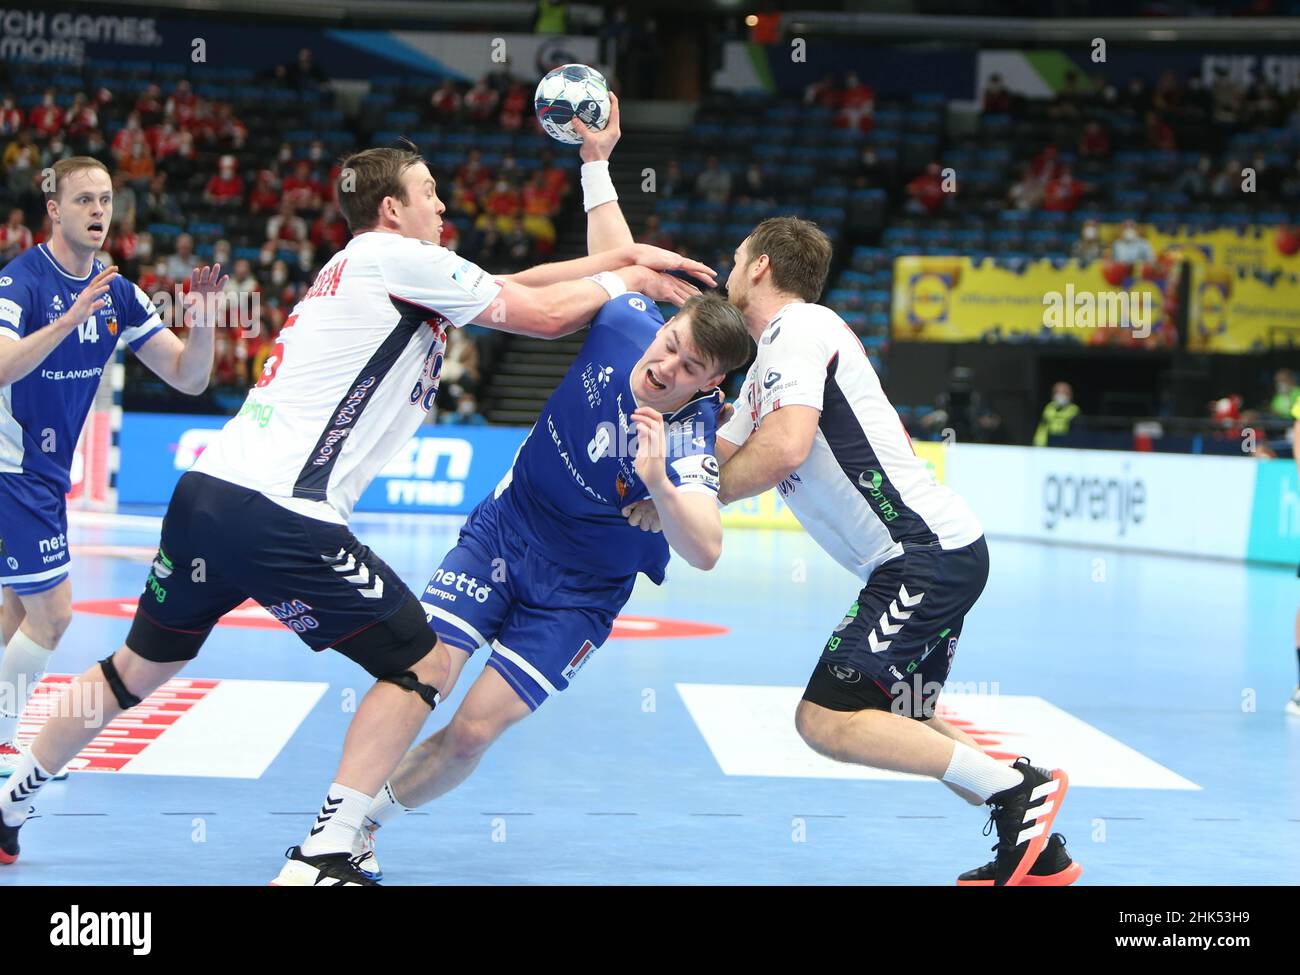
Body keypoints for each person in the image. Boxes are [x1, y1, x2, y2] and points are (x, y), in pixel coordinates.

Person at [0, 142, 712, 882]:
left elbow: (509, 281)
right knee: (424, 663)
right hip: (284, 513)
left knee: (133, 670)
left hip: (207, 494)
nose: (444, 205)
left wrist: (621, 268)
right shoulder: (395, 257)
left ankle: (12, 800)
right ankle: (326, 847)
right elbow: (537, 313)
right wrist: (618, 279)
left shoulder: (368, 264)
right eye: (430, 191)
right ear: (390, 210)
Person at [354, 96, 753, 882]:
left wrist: (659, 487)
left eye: (688, 370)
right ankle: (335, 827)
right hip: (507, 531)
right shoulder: (630, 322)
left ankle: (367, 821)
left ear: (712, 384)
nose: (665, 366)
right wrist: (596, 159)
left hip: (582, 591)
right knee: (423, 672)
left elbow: (705, 546)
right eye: (670, 346)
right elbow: (614, 259)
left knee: (471, 731)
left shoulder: (690, 436)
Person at [705, 215, 1075, 886]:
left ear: (760, 266)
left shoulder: (801, 331)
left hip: (921, 553)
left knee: (824, 716)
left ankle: (1019, 792)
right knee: (908, 713)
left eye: (735, 259)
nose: (727, 271)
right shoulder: (767, 362)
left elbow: (780, 450)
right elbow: (717, 465)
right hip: (929, 553)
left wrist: (693, 489)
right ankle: (1040, 848)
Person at [0, 156, 224, 785]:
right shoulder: (19, 286)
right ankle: (3, 741)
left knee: (16, 609)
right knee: (54, 614)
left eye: (106, 201)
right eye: (84, 201)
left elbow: (189, 376)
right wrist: (68, 321)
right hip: (12, 470)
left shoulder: (118, 293)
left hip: (42, 474)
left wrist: (201, 322)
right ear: (53, 209)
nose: (99, 212)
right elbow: (1, 365)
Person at [1033, 382, 1080, 447]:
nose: (1061, 395)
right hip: (1049, 443)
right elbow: (1042, 428)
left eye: (1064, 393)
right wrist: (1039, 444)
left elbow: (1077, 433)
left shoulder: (1074, 410)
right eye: (1058, 392)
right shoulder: (1049, 408)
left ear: (1070, 395)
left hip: (1067, 444)